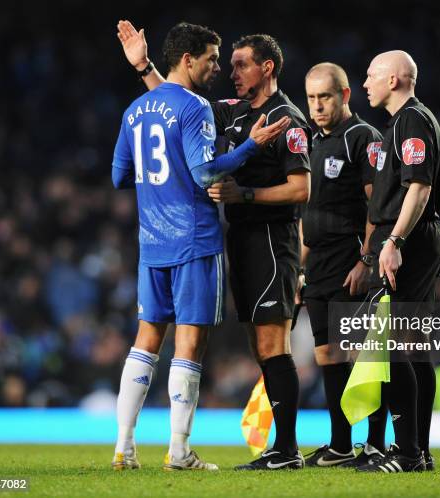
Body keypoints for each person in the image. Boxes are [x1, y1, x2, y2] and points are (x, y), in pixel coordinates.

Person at [117, 21, 311, 470]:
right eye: (228, 63)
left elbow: (301, 189)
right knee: (259, 344)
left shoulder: (288, 118)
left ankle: (285, 449)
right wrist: (145, 67)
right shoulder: (232, 110)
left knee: (272, 343)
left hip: (271, 238)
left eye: (241, 65)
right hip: (240, 238)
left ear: (268, 68)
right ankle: (278, 449)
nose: (231, 72)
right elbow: (176, 104)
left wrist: (245, 195)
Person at [357, 50, 440, 473]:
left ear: (394, 79)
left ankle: (408, 453)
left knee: (392, 346)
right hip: (420, 237)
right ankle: (420, 451)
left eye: (372, 76)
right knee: (413, 349)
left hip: (409, 239)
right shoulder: (409, 121)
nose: (366, 83)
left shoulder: (410, 120)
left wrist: (393, 240)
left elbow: (419, 187)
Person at [296, 63, 386, 467]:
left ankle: (377, 443)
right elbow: (306, 213)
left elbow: (377, 205)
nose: (317, 106)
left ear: (345, 95)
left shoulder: (362, 138)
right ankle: (340, 444)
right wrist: (298, 269)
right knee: (327, 355)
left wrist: (367, 259)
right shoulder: (311, 142)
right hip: (317, 264)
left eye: (325, 97)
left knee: (361, 355)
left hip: (350, 260)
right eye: (312, 98)